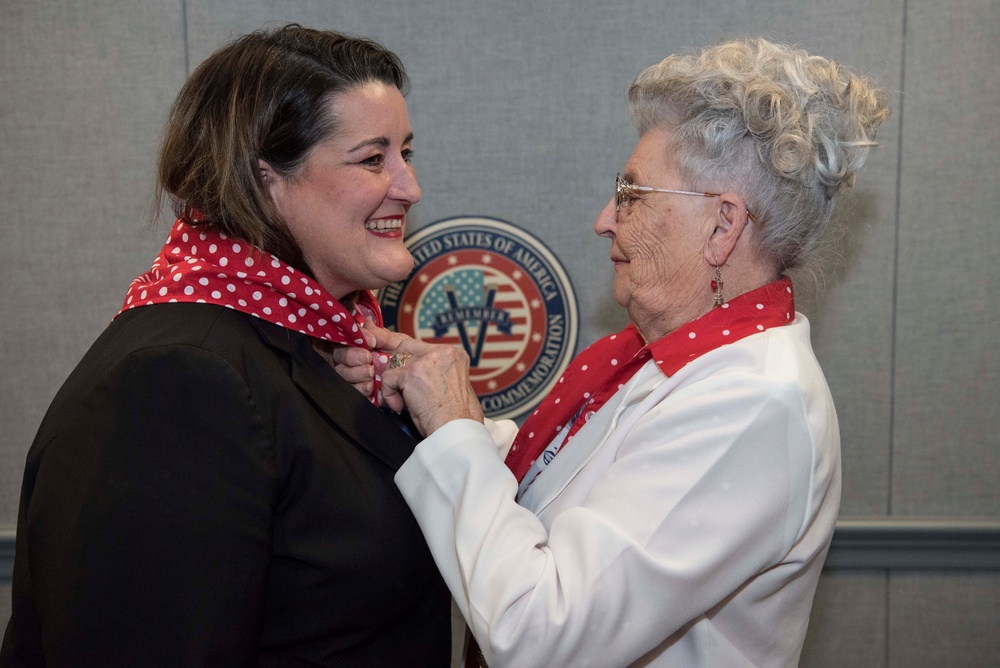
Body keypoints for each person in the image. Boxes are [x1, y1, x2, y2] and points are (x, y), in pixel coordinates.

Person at [337, 38, 889, 666]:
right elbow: (553, 505)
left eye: (631, 193)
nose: (605, 219)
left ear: (722, 225)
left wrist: (453, 428)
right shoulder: (669, 361)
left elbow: (542, 633)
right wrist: (434, 406)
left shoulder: (753, 401)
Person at [0, 24, 452, 666]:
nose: (409, 187)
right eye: (373, 159)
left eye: (406, 152)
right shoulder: (176, 380)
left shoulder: (320, 342)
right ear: (266, 180)